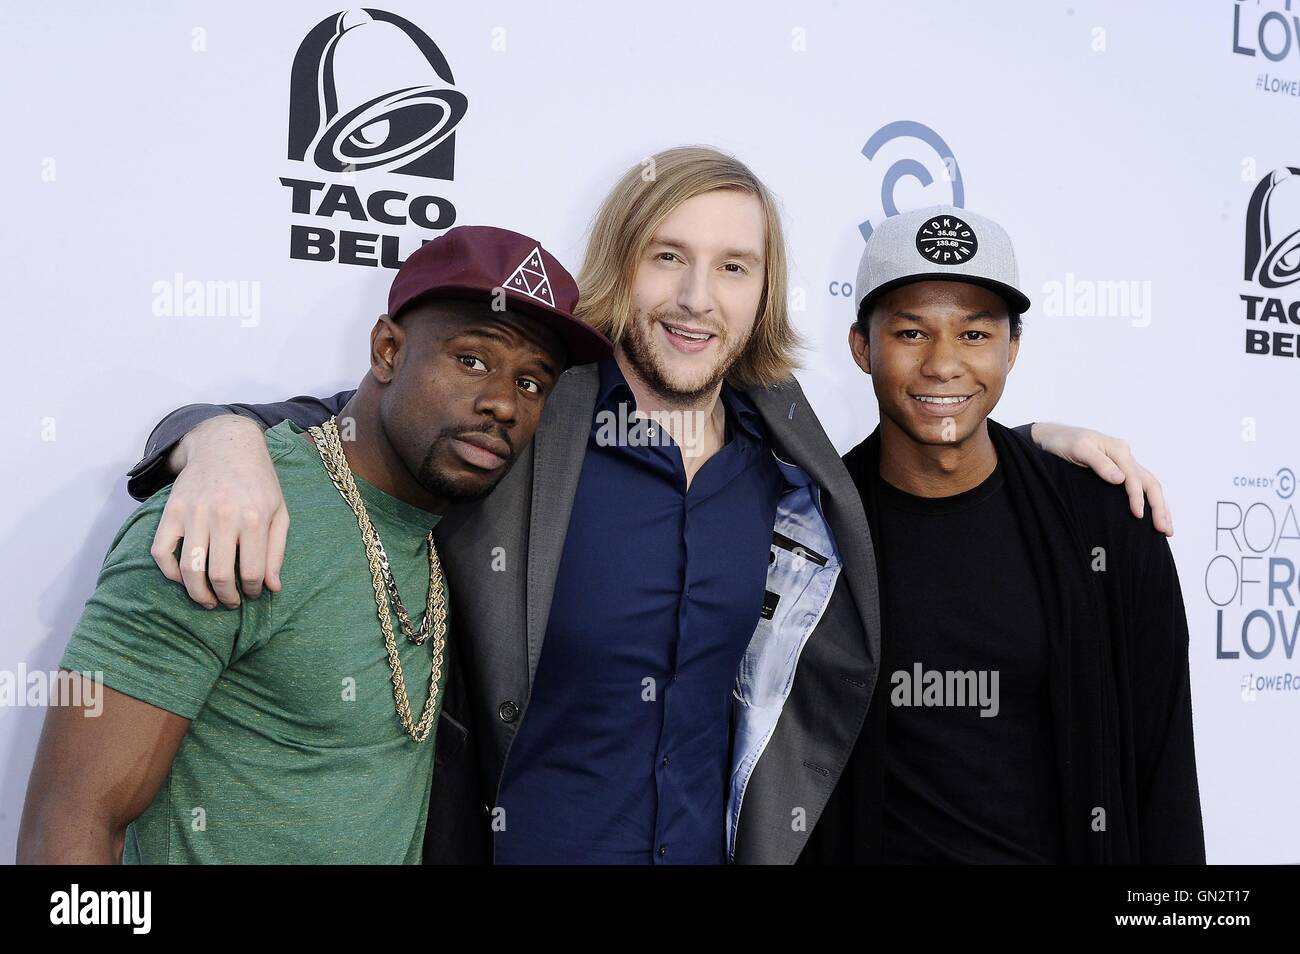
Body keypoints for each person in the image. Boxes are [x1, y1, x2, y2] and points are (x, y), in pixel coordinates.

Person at [118, 148, 1173, 864]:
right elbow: (374, 426)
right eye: (668, 257)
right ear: (623, 267)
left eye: (732, 268)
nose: (694, 298)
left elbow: (927, 452)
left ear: (765, 293)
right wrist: (215, 434)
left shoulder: (790, 466)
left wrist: (1042, 446)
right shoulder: (535, 417)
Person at [17, 226, 610, 863]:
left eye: (531, 384)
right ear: (387, 350)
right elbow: (68, 825)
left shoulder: (441, 536)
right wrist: (212, 437)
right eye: (471, 359)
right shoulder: (233, 515)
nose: (502, 403)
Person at [804, 206, 1203, 863]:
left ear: (1011, 348)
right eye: (910, 332)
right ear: (860, 347)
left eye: (974, 334)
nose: (943, 364)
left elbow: (1163, 773)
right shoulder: (809, 533)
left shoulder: (1107, 525)